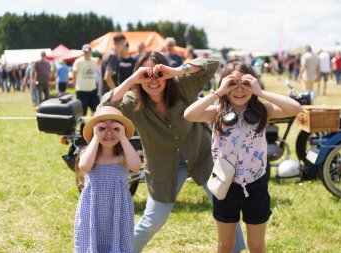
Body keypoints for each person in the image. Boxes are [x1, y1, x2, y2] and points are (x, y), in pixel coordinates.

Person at [99, 51, 246, 253]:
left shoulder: (182, 85)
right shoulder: (133, 101)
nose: (153, 80)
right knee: (152, 221)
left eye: (158, 73)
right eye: (146, 74)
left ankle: (236, 250)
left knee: (225, 206)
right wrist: (132, 80)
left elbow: (213, 63)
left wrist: (177, 70)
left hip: (201, 155)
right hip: (163, 168)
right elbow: (104, 107)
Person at [184, 62, 301, 253]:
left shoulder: (263, 111)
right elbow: (189, 115)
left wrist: (260, 92)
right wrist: (218, 92)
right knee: (225, 246)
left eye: (245, 84)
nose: (239, 90)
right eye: (233, 84)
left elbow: (295, 108)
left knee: (256, 246)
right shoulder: (217, 112)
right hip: (226, 185)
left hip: (256, 184)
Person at [74, 105, 141, 252]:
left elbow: (136, 166)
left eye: (115, 129)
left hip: (118, 210)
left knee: (118, 244)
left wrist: (122, 136)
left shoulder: (122, 155)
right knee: (90, 244)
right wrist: (96, 137)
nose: (109, 133)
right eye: (102, 128)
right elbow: (84, 166)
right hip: (93, 209)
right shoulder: (90, 154)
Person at [73, 44, 99, 116]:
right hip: (81, 90)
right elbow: (74, 74)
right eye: (85, 52)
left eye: (88, 52)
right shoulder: (78, 61)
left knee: (95, 109)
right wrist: (75, 86)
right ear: (83, 52)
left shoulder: (95, 61)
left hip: (93, 89)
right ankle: (82, 126)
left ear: (91, 52)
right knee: (82, 111)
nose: (86, 53)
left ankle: (93, 126)